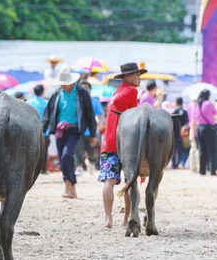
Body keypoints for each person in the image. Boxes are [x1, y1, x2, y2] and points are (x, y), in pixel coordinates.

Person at [98, 63, 146, 228]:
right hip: (125, 143)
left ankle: (108, 219)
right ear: (127, 77)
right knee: (129, 181)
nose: (139, 78)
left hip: (108, 141)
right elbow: (134, 118)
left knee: (108, 181)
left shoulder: (116, 92)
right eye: (136, 75)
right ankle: (126, 219)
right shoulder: (132, 91)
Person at [42, 67, 97, 199]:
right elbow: (47, 114)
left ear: (71, 82)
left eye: (64, 82)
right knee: (62, 159)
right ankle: (70, 185)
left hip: (75, 130)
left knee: (67, 155)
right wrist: (42, 131)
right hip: (60, 131)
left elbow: (90, 113)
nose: (62, 84)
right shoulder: (56, 94)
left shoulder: (82, 93)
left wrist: (93, 134)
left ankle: (69, 185)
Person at [75, 81, 104, 175]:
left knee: (92, 151)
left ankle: (91, 163)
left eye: (86, 88)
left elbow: (101, 115)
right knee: (78, 150)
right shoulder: (76, 101)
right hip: (79, 132)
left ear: (90, 90)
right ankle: (79, 167)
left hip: (92, 132)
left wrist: (99, 125)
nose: (84, 90)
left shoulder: (94, 101)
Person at [194, 89, 217, 176]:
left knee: (202, 150)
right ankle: (212, 170)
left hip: (199, 128)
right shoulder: (208, 103)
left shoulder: (196, 104)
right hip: (208, 128)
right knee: (212, 149)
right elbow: (216, 113)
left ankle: (202, 170)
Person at [27, 84, 50, 174]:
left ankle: (31, 170)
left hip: (30, 130)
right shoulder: (45, 103)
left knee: (31, 151)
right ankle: (43, 169)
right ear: (43, 92)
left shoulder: (28, 102)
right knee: (43, 151)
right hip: (44, 130)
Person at [172, 97, 190, 169]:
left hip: (175, 133)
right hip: (183, 134)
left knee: (174, 150)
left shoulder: (174, 112)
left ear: (176, 102)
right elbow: (187, 123)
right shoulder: (185, 112)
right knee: (182, 149)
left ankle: (174, 164)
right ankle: (181, 163)